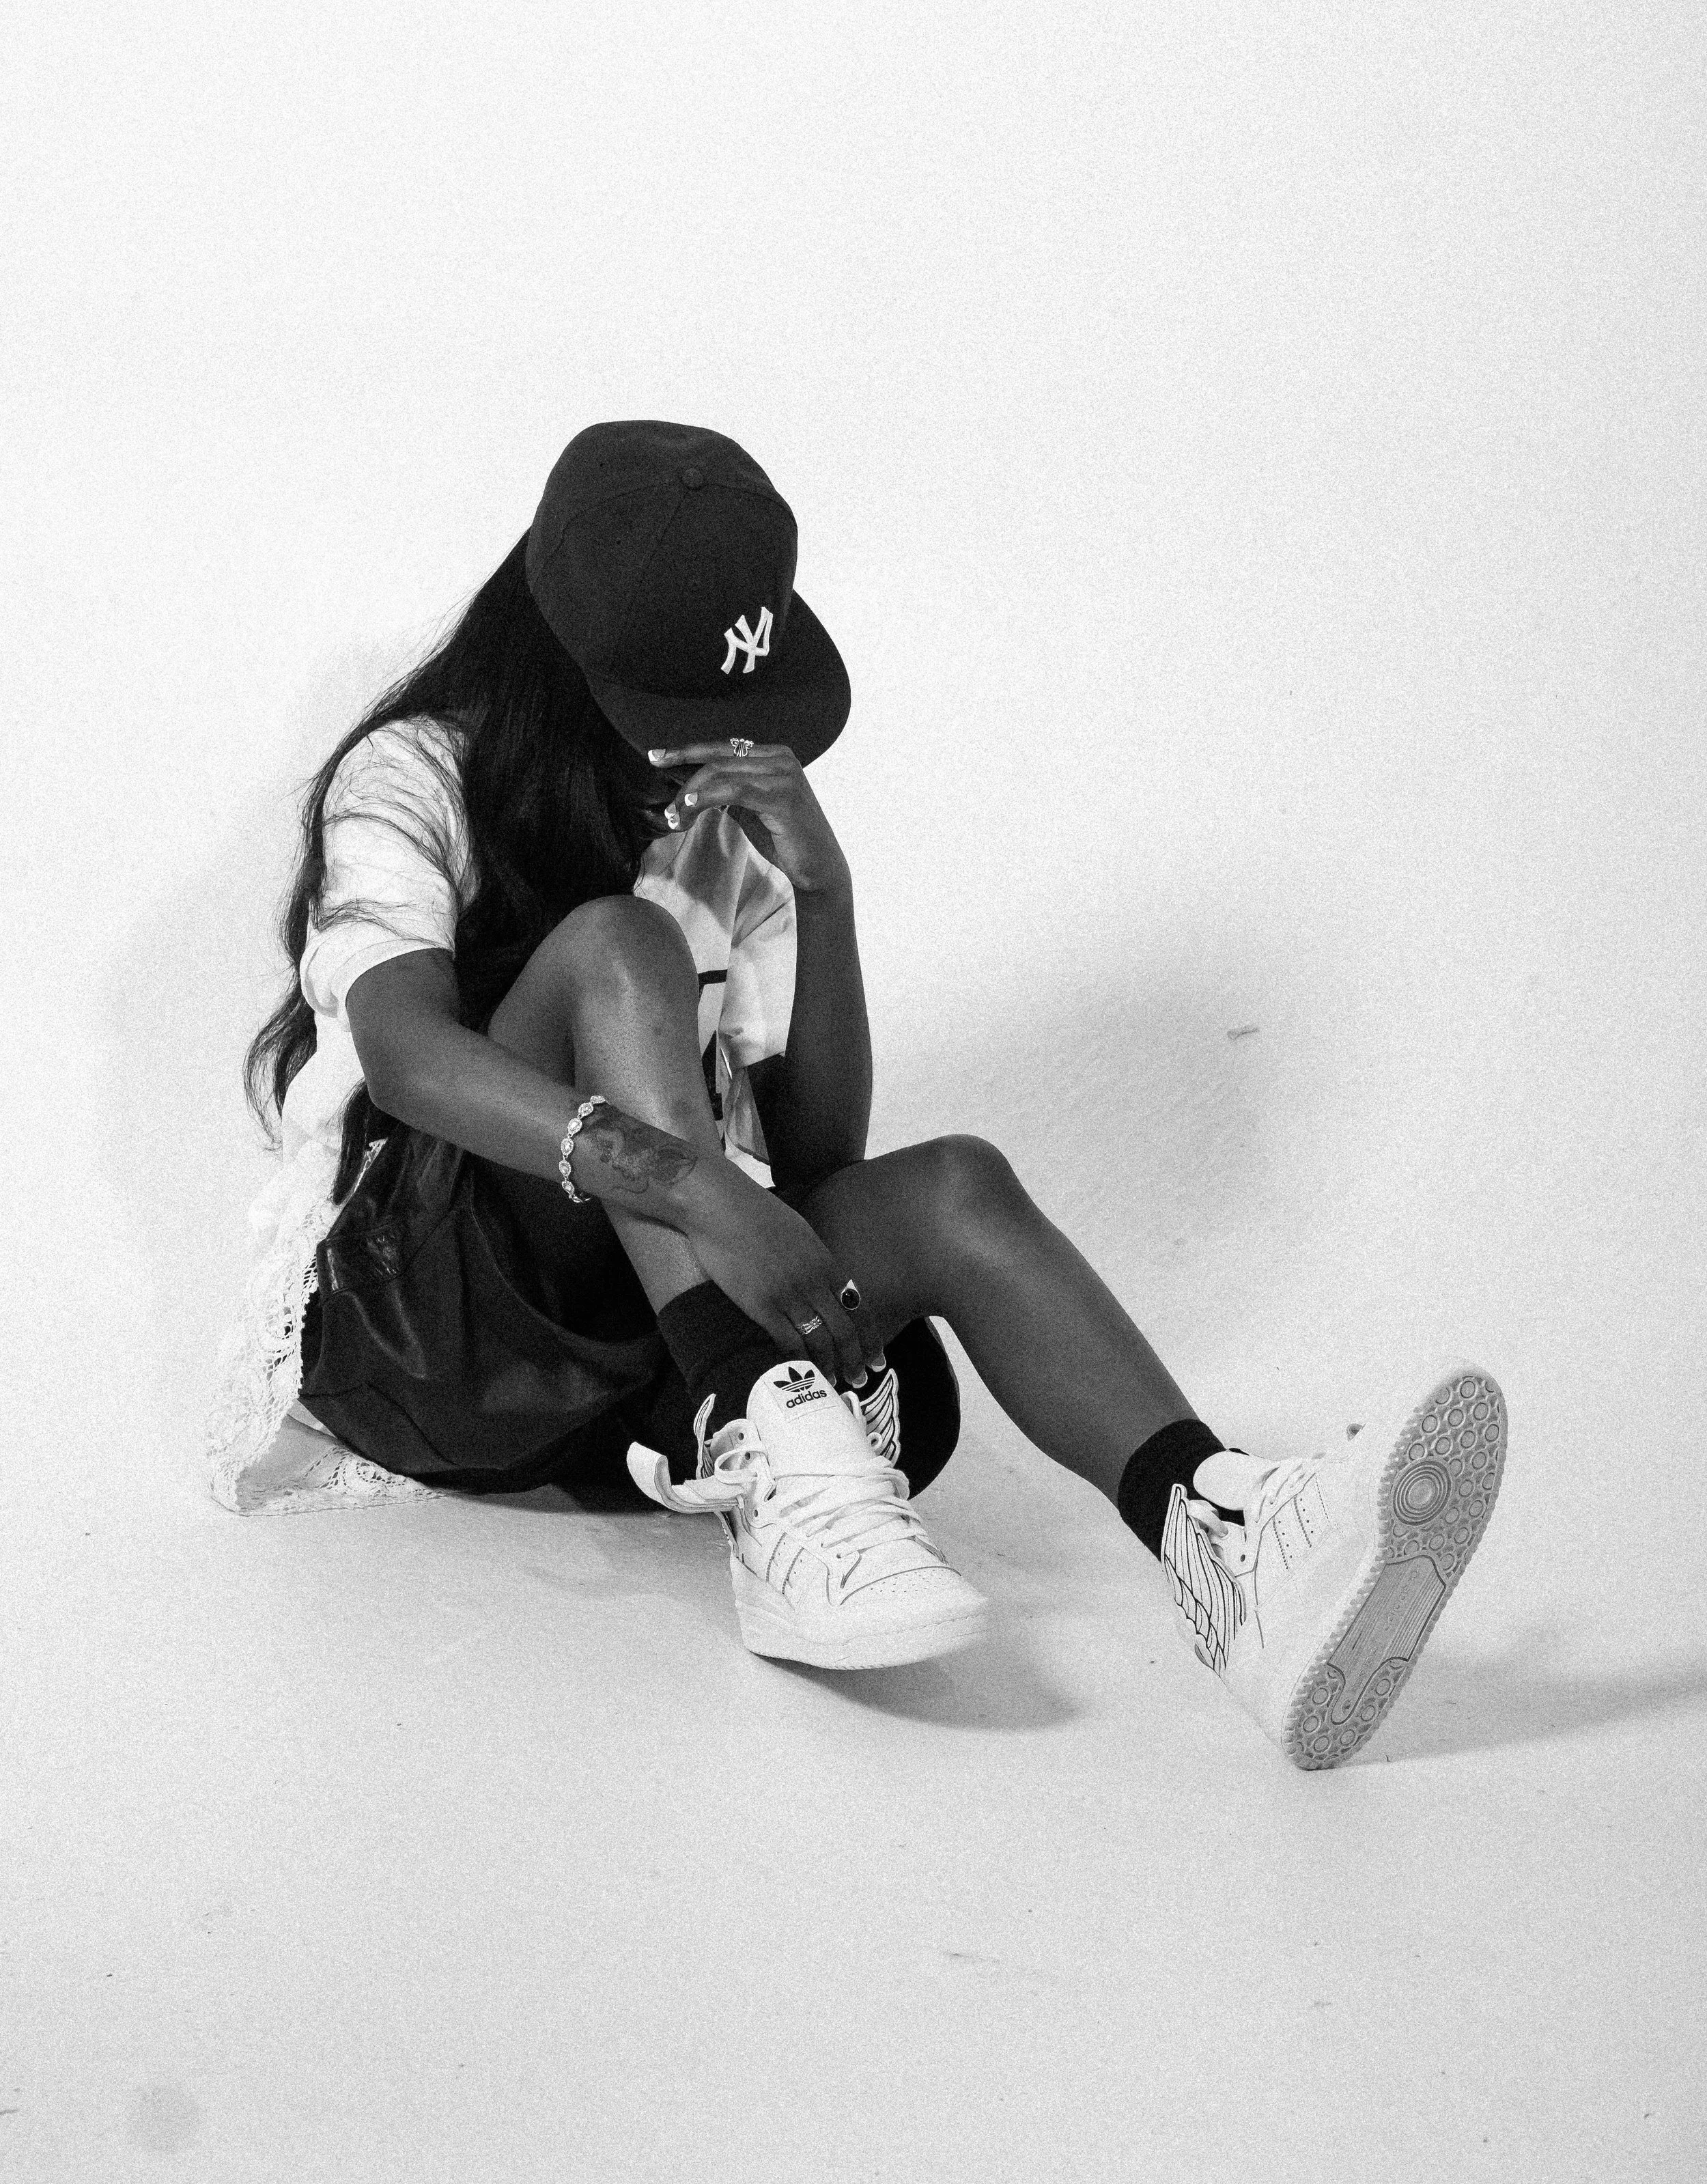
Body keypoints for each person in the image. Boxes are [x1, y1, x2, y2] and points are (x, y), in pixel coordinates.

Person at [208, 419, 1508, 1771]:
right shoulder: (416, 769)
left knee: (954, 1185)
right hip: (441, 1327)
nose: (701, 741)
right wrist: (696, 1181)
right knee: (617, 943)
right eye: (670, 705)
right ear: (569, 650)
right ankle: (767, 1443)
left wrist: (822, 901)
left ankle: (1226, 1537)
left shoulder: (716, 817)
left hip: (643, 1339)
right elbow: (409, 1057)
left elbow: (821, 1151)